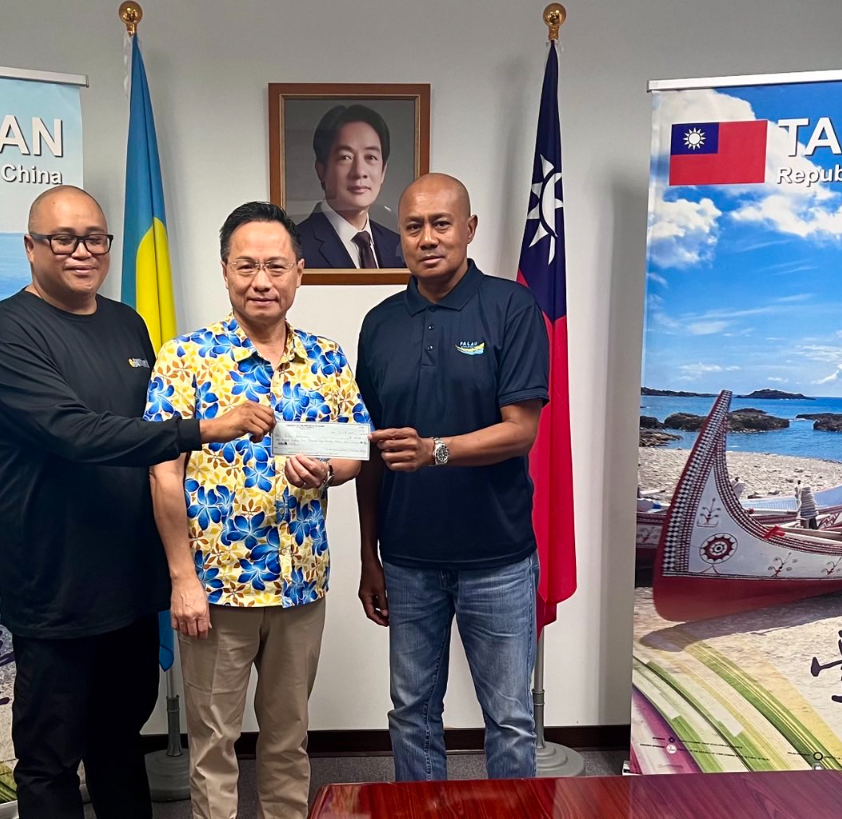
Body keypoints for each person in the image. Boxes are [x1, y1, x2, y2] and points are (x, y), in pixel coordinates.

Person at [0, 185, 274, 819]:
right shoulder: (8, 332)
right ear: (31, 247)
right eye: (63, 239)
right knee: (51, 755)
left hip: (129, 579)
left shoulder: (126, 323)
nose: (82, 252)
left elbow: (149, 440)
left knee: (119, 739)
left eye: (95, 239)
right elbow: (73, 432)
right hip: (55, 583)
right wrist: (202, 429)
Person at [147, 201, 366, 818]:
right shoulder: (186, 358)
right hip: (217, 589)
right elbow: (162, 473)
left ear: (299, 271)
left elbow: (354, 450)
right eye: (246, 266)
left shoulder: (326, 358)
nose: (261, 281)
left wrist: (327, 470)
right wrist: (182, 579)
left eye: (275, 266)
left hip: (301, 585)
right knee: (213, 745)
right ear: (224, 271)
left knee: (288, 738)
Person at [354, 173, 549, 781]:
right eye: (413, 226)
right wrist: (368, 555)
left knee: (510, 718)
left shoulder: (512, 308)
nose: (428, 238)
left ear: (469, 228)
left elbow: (521, 431)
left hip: (498, 558)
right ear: (399, 237)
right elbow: (370, 452)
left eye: (441, 224)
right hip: (407, 560)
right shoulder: (379, 324)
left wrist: (435, 450)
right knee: (411, 712)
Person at [296, 104, 403, 269]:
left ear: (383, 171)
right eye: (345, 157)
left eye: (371, 157)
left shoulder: (398, 246)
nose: (359, 172)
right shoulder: (295, 246)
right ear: (321, 170)